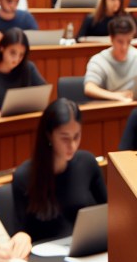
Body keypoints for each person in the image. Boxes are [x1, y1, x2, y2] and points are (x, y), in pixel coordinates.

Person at [12, 99, 107, 242]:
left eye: (77, 136)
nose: (73, 145)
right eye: (65, 138)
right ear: (49, 135)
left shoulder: (88, 163)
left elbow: (108, 212)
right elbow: (21, 234)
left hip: (85, 249)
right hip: (43, 256)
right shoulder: (24, 177)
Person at [83, 15, 137, 102]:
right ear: (111, 39)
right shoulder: (99, 60)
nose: (124, 47)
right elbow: (89, 88)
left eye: (129, 41)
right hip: (110, 107)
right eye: (120, 42)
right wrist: (116, 96)